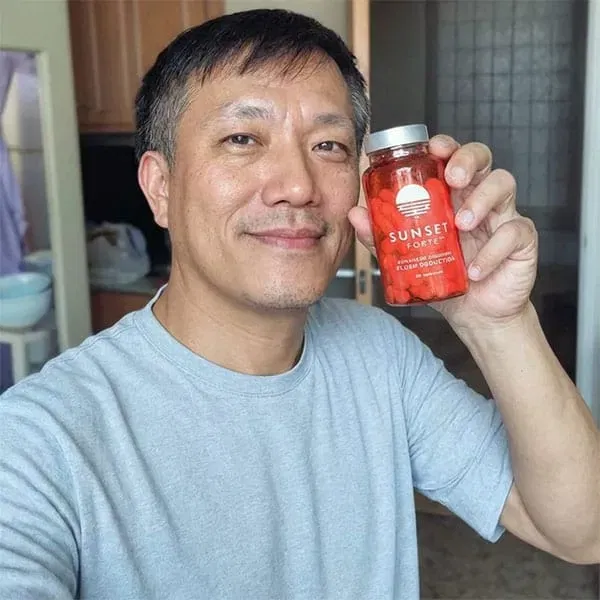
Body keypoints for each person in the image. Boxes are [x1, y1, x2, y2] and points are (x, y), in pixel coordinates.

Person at [0, 9, 598, 599]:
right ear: (160, 186)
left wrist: (497, 322)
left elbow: (581, 530)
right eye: (242, 139)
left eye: (329, 145)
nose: (298, 186)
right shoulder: (38, 441)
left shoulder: (382, 357)